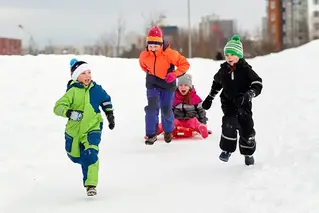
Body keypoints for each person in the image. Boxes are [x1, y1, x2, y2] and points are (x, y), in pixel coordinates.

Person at [53, 58, 115, 196]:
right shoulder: (72, 91)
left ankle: (91, 185)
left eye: (89, 72)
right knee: (74, 156)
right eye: (83, 73)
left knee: (91, 153)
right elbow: (57, 107)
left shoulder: (96, 89)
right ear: (76, 77)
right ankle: (85, 161)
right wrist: (68, 112)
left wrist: (110, 115)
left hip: (93, 127)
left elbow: (106, 100)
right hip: (74, 131)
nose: (87, 76)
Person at [202, 35, 263, 166]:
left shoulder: (246, 70)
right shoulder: (223, 70)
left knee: (245, 128)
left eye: (232, 54)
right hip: (228, 103)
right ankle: (226, 150)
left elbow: (258, 83)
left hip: (243, 104)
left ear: (239, 55)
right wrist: (210, 98)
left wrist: (250, 93)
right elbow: (217, 83)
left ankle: (248, 153)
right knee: (228, 124)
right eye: (227, 55)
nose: (229, 57)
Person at [139, 26, 190, 145]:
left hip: (167, 83)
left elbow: (184, 64)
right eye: (150, 46)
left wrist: (174, 74)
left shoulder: (170, 54)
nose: (152, 49)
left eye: (155, 46)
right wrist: (151, 73)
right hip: (152, 82)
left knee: (166, 109)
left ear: (161, 44)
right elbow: (143, 66)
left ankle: (168, 130)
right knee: (151, 108)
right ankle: (151, 134)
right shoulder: (144, 55)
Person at [157, 74, 209, 138]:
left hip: (190, 120)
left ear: (189, 87)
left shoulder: (195, 98)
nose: (183, 87)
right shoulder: (174, 98)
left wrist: (203, 123)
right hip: (177, 120)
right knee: (170, 122)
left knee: (195, 122)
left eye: (186, 85)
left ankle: (202, 128)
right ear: (177, 87)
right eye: (180, 85)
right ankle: (156, 131)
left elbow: (201, 112)